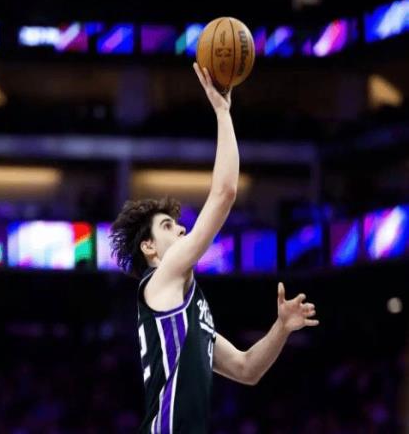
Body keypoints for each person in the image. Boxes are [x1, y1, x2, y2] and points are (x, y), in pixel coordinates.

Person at [110, 63, 319, 434]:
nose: (182, 228)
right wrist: (223, 112)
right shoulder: (161, 278)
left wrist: (282, 327)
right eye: (168, 226)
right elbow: (224, 193)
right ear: (149, 248)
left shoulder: (188, 308)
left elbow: (246, 369)